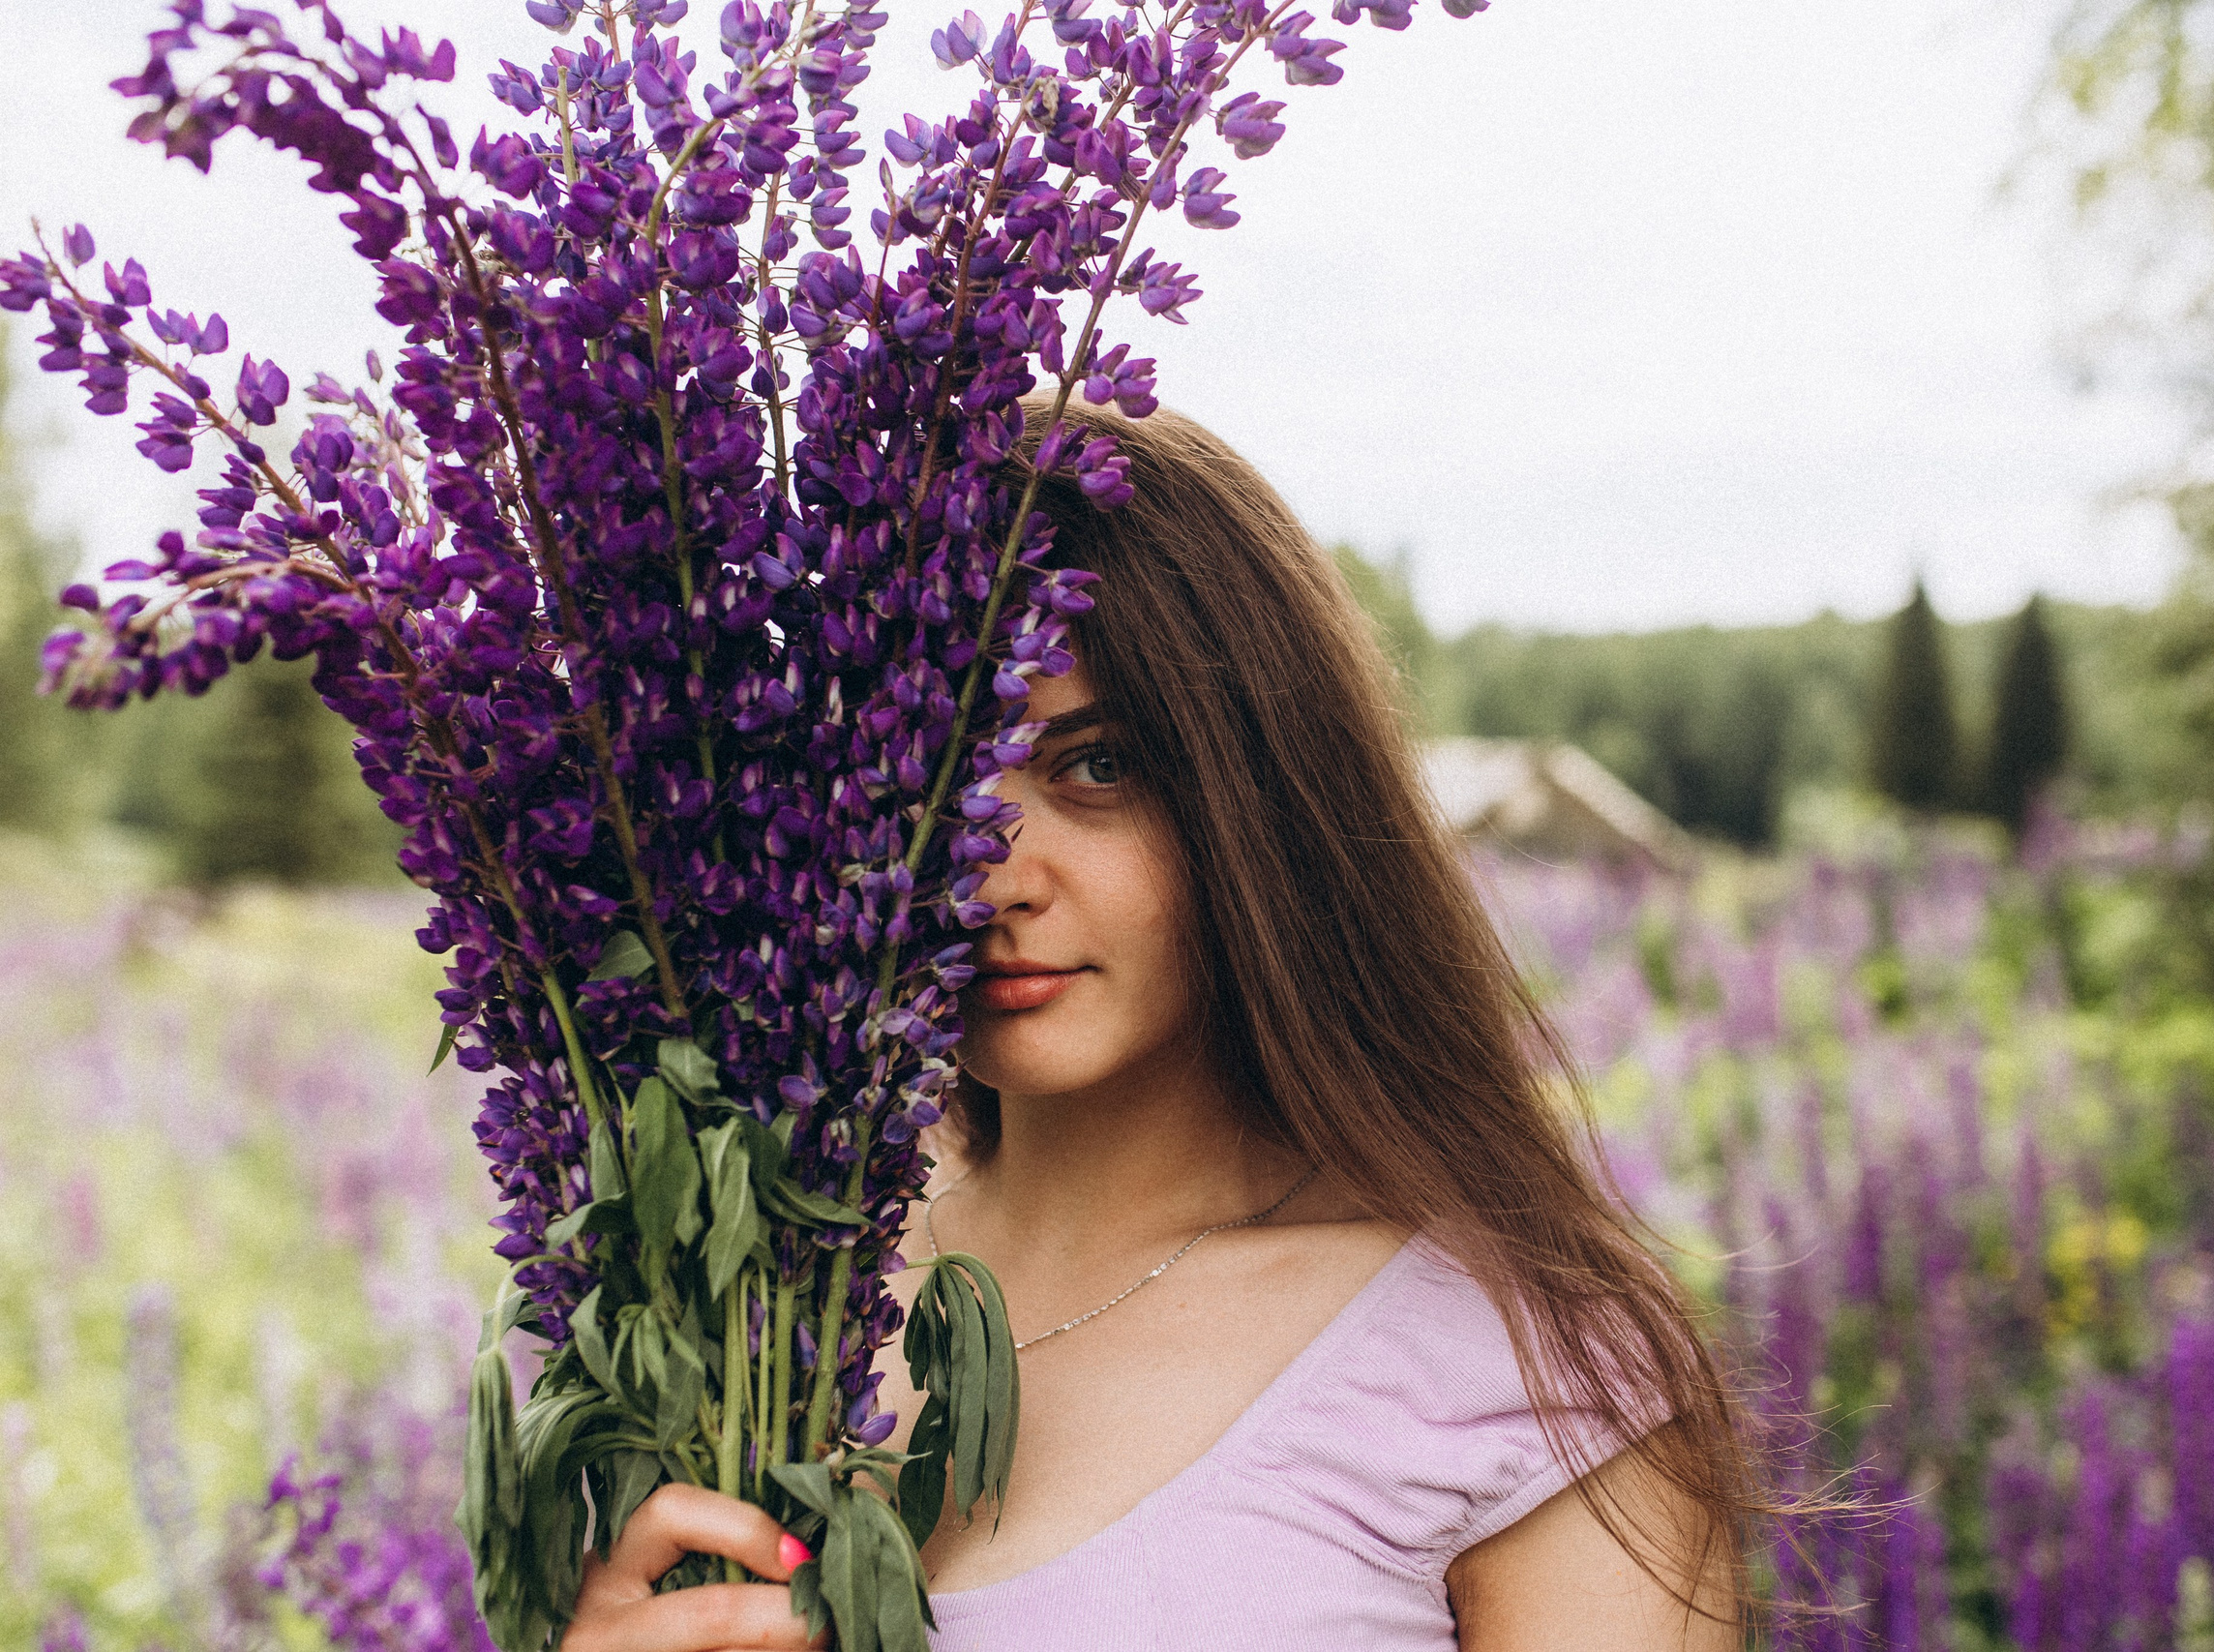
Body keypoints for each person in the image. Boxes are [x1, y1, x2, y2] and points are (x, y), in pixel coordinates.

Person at [556, 405, 1756, 1650]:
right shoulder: (744, 1303)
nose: (988, 877)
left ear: (1259, 792)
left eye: (1098, 767)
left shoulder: (1524, 1373)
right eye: (930, 774)